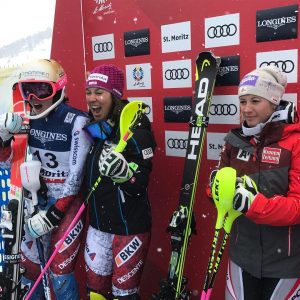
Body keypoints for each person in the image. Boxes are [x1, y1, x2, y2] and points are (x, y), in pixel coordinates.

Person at [0, 59, 91, 299]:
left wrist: (52, 216)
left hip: (67, 206)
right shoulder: (26, 119)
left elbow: (75, 178)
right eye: (27, 90)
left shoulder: (77, 121)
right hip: (36, 201)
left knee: (59, 272)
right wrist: (2, 139)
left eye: (42, 90)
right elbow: (7, 163)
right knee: (29, 272)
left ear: (59, 89)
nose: (33, 98)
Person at [210, 65, 300, 299]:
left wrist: (253, 204)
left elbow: (297, 207)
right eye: (242, 101)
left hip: (286, 261)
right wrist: (217, 189)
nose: (246, 109)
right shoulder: (234, 140)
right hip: (242, 255)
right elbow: (215, 192)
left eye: (255, 101)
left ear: (273, 102)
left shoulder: (295, 142)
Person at [83, 64, 156, 300]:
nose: (93, 99)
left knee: (123, 295)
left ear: (114, 96)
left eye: (99, 92)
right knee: (95, 292)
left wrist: (125, 175)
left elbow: (140, 182)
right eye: (89, 92)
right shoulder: (92, 125)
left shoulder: (135, 124)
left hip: (128, 228)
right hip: (97, 225)